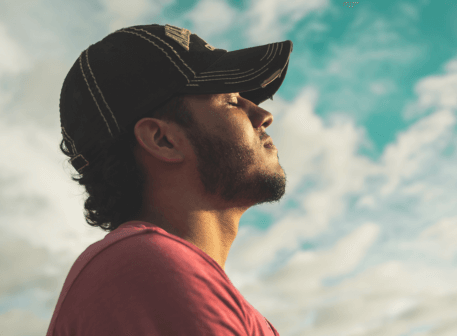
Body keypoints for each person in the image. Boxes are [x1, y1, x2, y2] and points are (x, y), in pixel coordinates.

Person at [47, 23, 293, 335]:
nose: (261, 115)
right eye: (231, 100)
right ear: (162, 140)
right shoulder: (147, 267)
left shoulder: (162, 274)